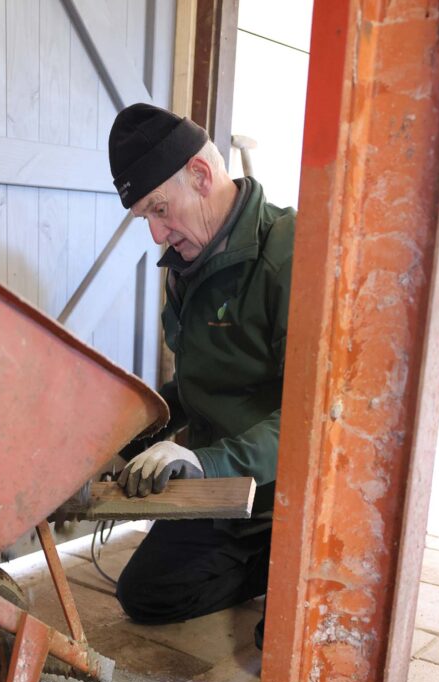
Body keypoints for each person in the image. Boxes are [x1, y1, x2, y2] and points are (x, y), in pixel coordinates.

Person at [107, 103, 295, 648]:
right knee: (145, 596)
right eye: (146, 217)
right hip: (223, 493)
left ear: (202, 174)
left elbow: (311, 420)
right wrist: (130, 430)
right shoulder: (186, 268)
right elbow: (194, 387)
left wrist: (204, 462)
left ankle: (286, 557)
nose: (156, 234)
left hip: (286, 494)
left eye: (160, 210)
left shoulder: (289, 255)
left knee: (280, 646)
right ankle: (264, 566)